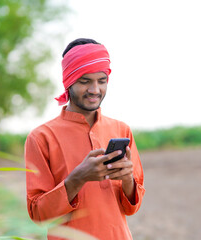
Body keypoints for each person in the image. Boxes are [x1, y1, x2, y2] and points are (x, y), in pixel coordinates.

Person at [24, 38, 145, 240]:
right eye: (84, 81)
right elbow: (37, 214)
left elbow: (133, 206)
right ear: (68, 81)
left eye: (102, 80)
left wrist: (127, 180)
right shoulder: (41, 138)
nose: (95, 90)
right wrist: (77, 179)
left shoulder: (121, 130)